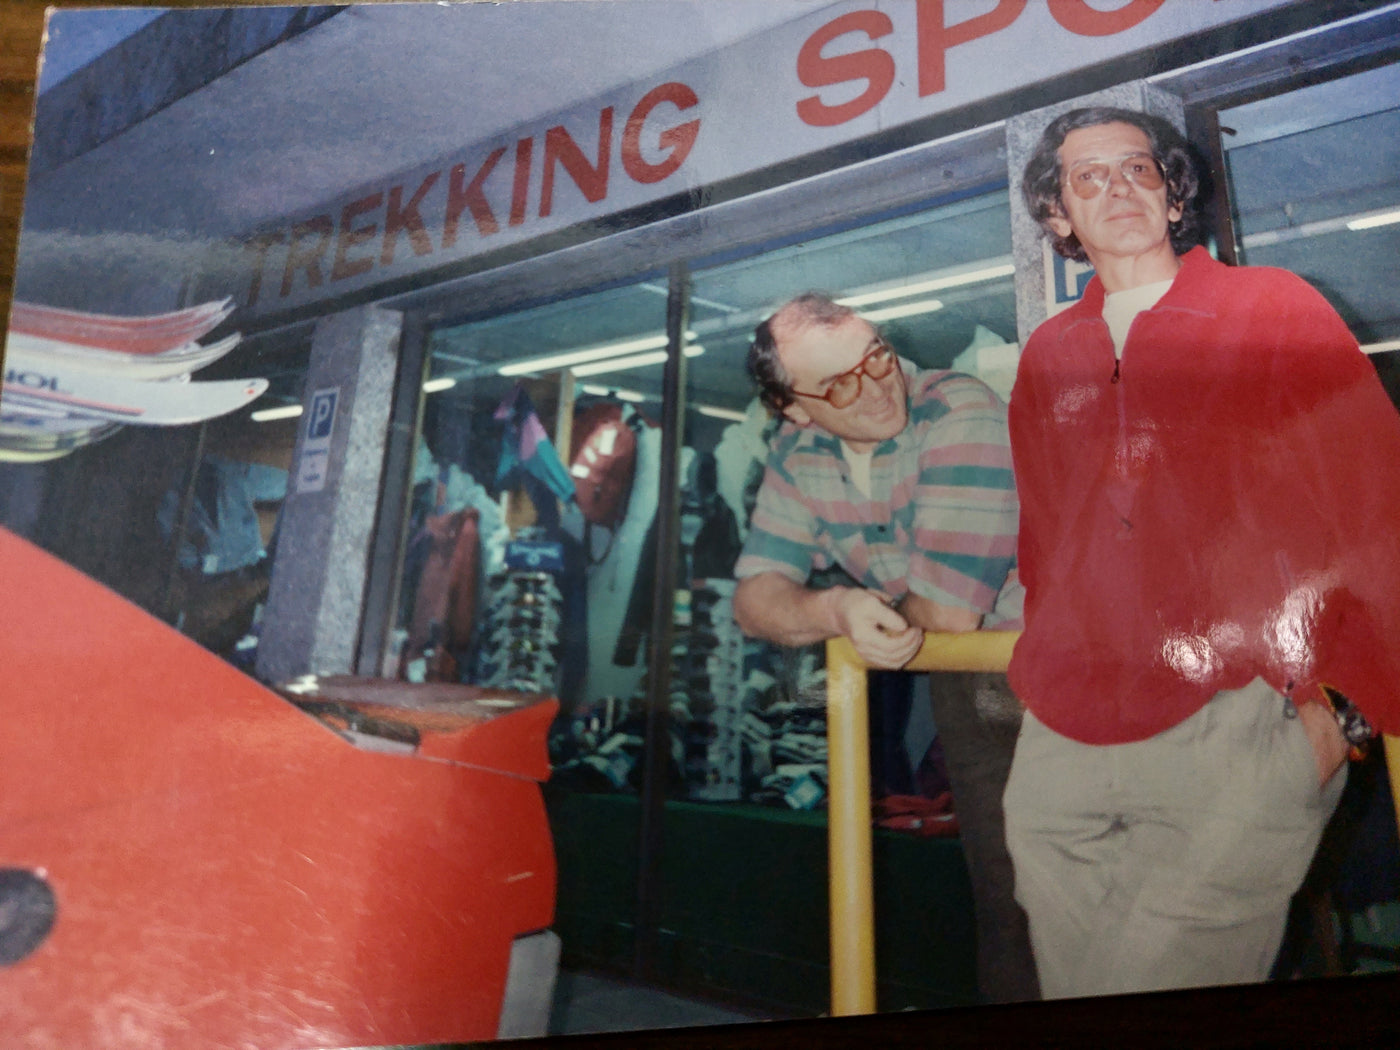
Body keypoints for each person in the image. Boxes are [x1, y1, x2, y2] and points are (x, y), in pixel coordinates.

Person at [1005, 105, 1400, 998]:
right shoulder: (1050, 353)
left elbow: (1378, 505)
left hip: (1239, 718)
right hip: (1064, 738)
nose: (1120, 187)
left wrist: (1351, 708)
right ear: (1059, 215)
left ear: (1174, 196)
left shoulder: (1271, 308)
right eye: (1089, 176)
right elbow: (1044, 544)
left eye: (1139, 168)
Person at [732, 291, 1038, 1003]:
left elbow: (946, 616)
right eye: (839, 384)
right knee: (1006, 911)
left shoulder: (959, 409)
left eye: (876, 357)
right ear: (793, 408)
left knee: (1084, 904)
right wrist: (834, 607)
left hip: (1058, 678)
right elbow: (753, 600)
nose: (875, 388)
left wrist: (834, 617)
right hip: (968, 683)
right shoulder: (798, 451)